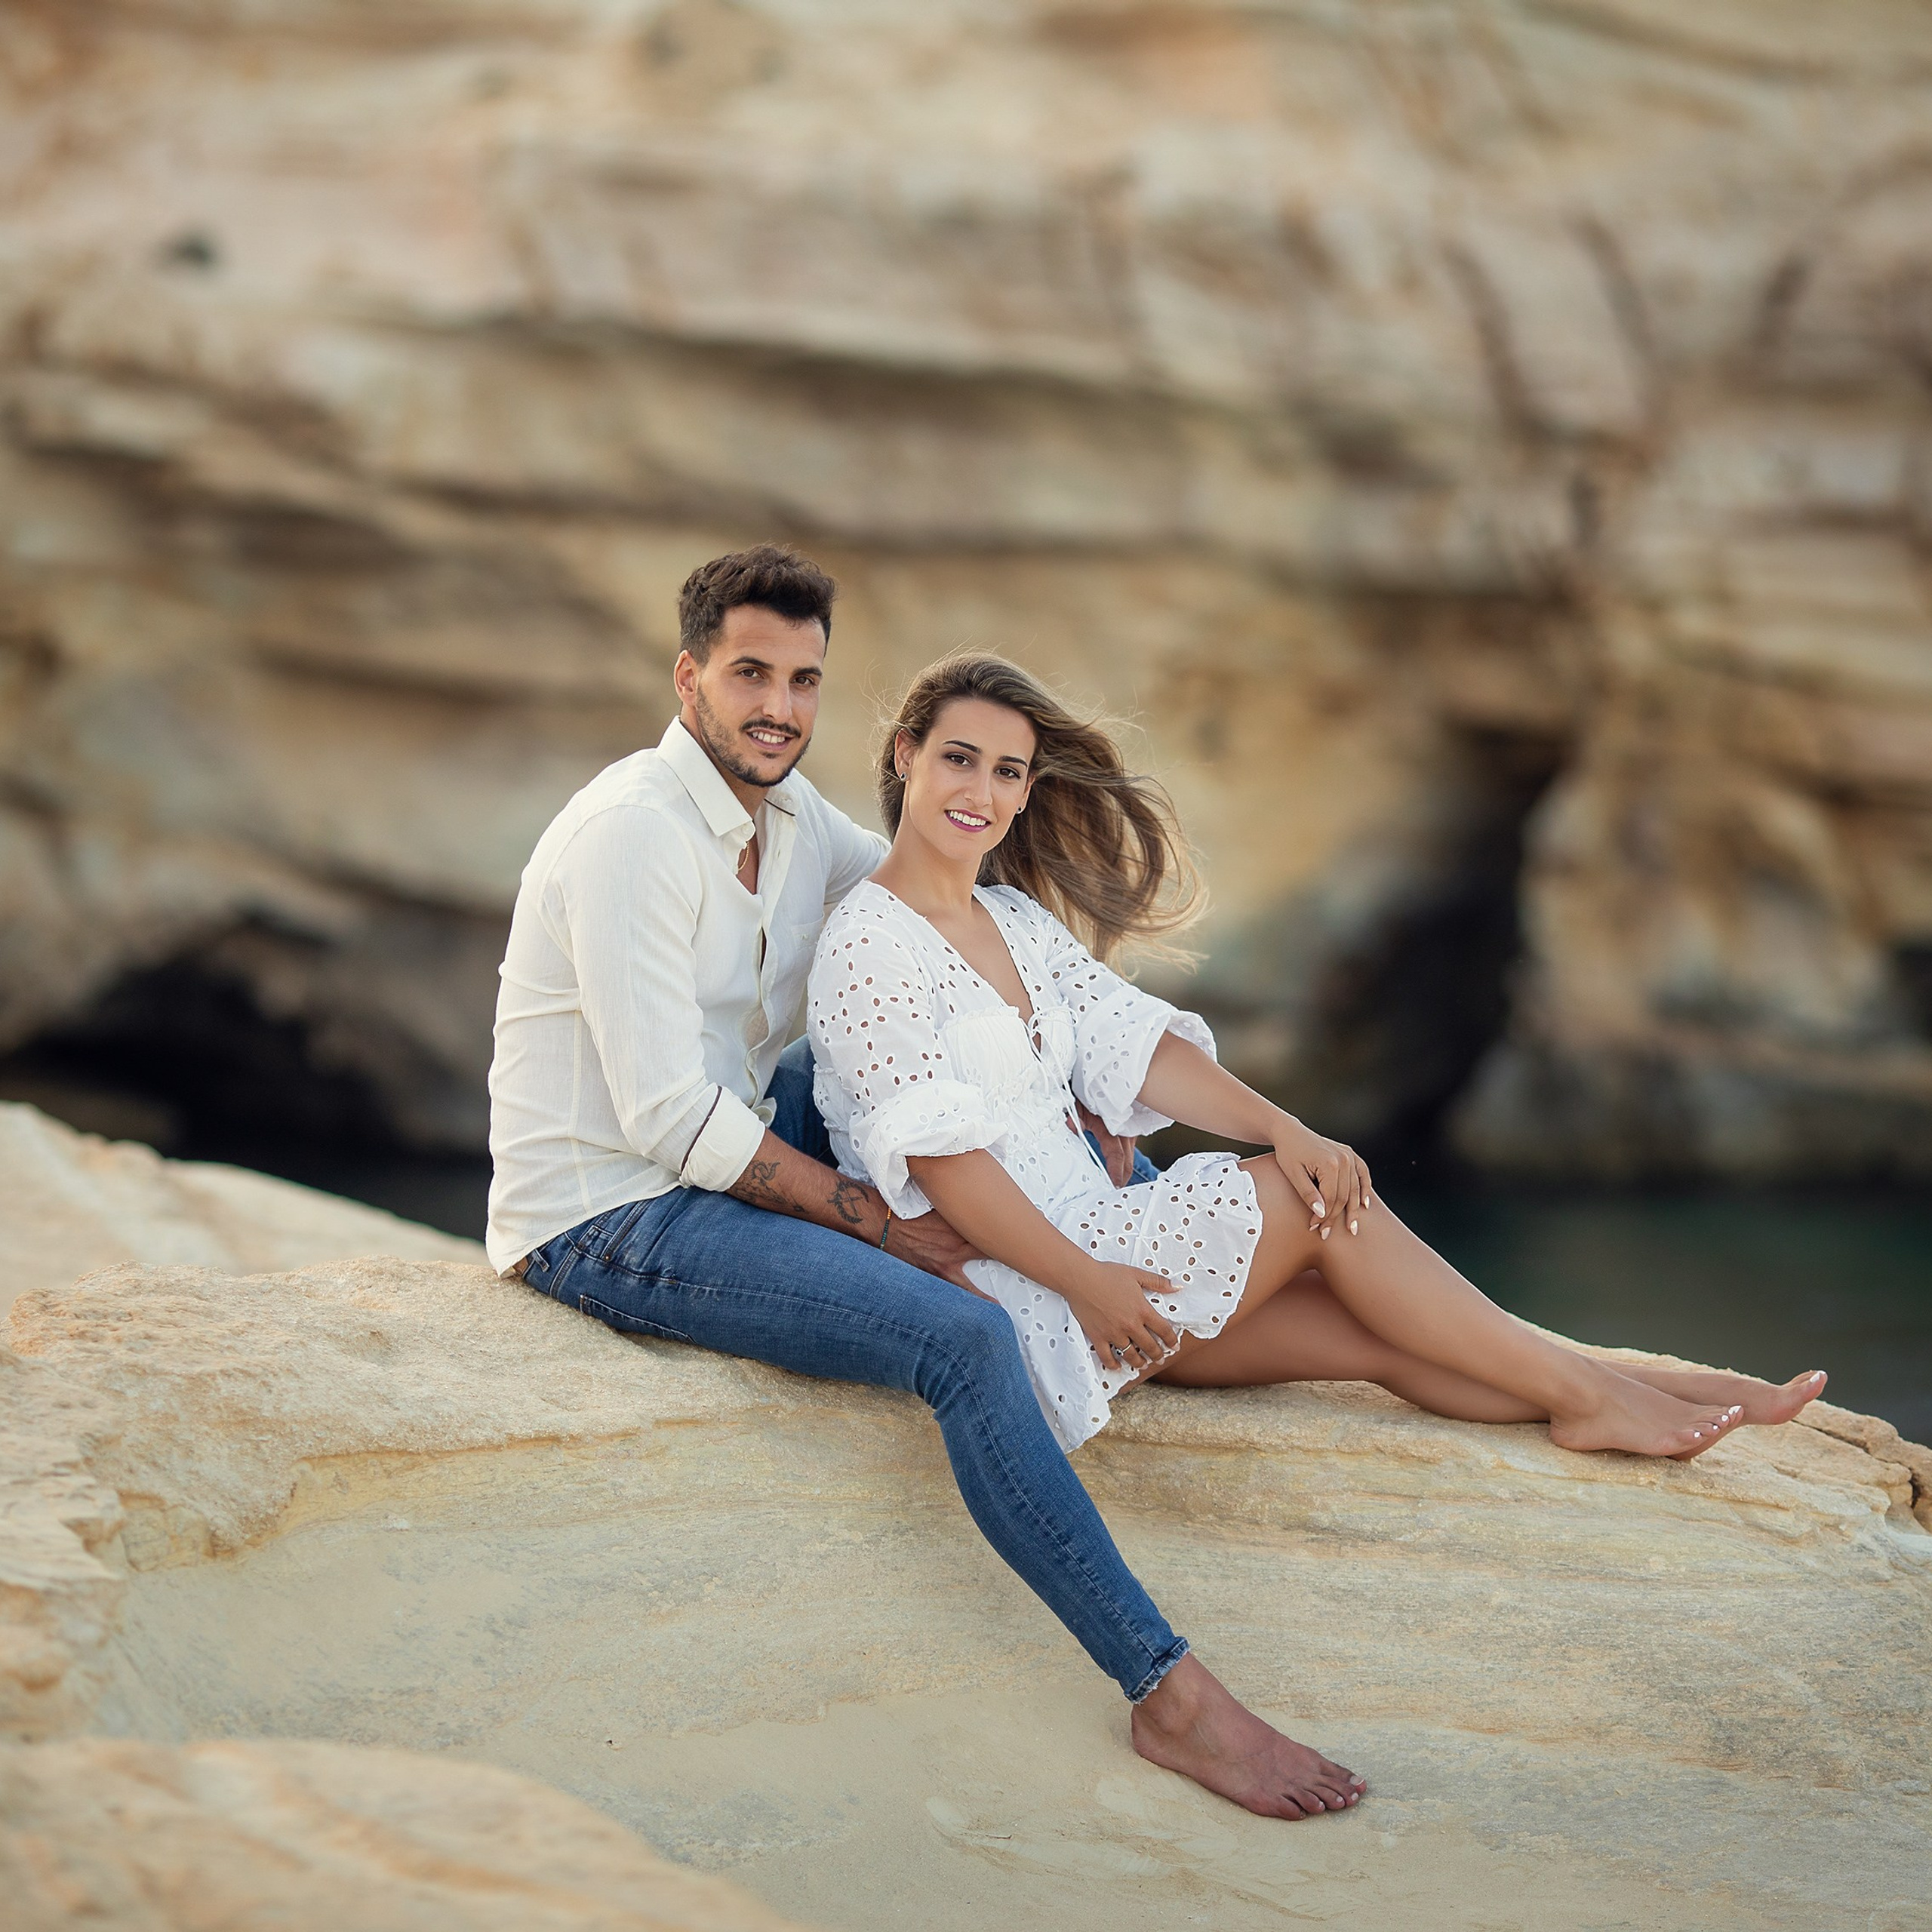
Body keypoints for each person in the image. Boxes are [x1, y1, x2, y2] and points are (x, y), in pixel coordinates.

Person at [486, 546, 1369, 1824]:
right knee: (962, 1335)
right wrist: (881, 1226)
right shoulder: (635, 834)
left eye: (802, 679)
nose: (778, 706)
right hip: (610, 1207)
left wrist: (1058, 1081)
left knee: (923, 1083)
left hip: (731, 1127)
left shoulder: (789, 822)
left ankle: (1088, 1241)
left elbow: (937, 894)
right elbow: (667, 1119)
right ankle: (1166, 1692)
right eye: (749, 675)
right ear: (689, 679)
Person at [804, 652, 1835, 1696]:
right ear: (907, 757)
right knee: (1320, 1208)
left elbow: (1138, 1049)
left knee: (1376, 1340)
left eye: (1010, 773)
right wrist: (1086, 1277)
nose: (981, 794)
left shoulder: (1015, 922)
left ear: (1029, 791)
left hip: (1108, 1248)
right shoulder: (867, 946)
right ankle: (1591, 1390)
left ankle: (1643, 1390)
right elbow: (950, 1167)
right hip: (1038, 1286)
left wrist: (1283, 1123)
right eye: (961, 761)